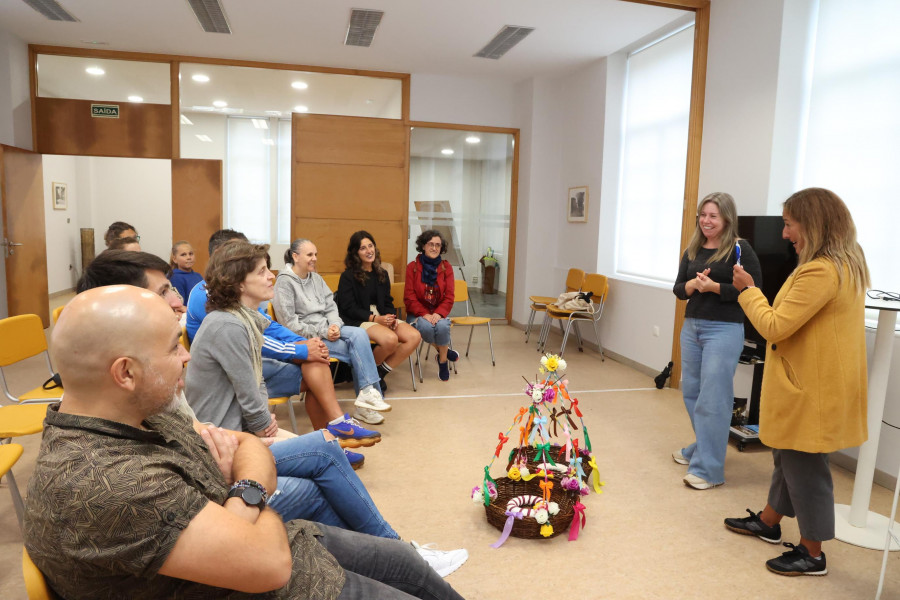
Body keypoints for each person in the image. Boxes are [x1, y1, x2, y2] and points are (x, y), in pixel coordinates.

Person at [24, 285, 468, 599]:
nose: (188, 356)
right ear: (125, 372)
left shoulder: (133, 415)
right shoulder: (107, 481)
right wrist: (248, 493)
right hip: (277, 583)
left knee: (403, 563)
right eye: (171, 348)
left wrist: (238, 496)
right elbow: (267, 564)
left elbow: (248, 448)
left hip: (287, 547)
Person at [75, 250, 405, 535]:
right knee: (320, 466)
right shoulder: (226, 325)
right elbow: (244, 403)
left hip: (225, 449)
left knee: (322, 449)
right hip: (223, 459)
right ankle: (392, 551)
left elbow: (200, 430)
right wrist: (253, 461)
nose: (177, 300)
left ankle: (390, 552)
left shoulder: (159, 377)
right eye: (164, 292)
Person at [726, 188, 869, 576]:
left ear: (813, 224)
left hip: (812, 388)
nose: (785, 233)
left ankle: (813, 551)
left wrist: (748, 290)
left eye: (789, 224)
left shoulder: (821, 271)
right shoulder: (847, 263)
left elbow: (774, 326)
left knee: (805, 467)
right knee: (787, 453)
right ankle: (770, 521)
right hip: (814, 382)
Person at [186, 240, 383, 455]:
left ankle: (336, 429)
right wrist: (300, 349)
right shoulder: (225, 320)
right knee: (325, 459)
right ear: (235, 276)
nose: (272, 275)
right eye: (262, 271)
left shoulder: (244, 312)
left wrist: (305, 343)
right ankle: (332, 444)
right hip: (227, 420)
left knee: (317, 361)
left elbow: (268, 338)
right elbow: (253, 366)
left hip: (245, 392)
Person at [672, 192, 762, 490]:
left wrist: (713, 288)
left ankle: (709, 469)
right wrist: (693, 285)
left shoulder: (739, 249)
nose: (706, 220)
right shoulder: (693, 248)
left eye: (713, 216)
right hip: (693, 326)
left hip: (724, 329)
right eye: (703, 214)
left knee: (713, 398)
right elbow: (679, 289)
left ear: (727, 218)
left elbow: (752, 290)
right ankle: (703, 447)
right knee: (693, 393)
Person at [274, 238, 391, 425]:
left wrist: (335, 324)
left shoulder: (316, 278)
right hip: (304, 338)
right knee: (358, 349)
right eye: (309, 255)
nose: (314, 258)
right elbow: (289, 324)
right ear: (295, 257)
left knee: (360, 334)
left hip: (328, 329)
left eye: (316, 254)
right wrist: (324, 331)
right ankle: (366, 403)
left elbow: (331, 306)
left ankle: (368, 394)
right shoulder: (284, 283)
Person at [337, 231, 421, 390]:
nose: (369, 251)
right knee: (390, 340)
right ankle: (367, 373)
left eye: (370, 246)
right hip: (359, 320)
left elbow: (388, 301)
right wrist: (375, 319)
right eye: (363, 248)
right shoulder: (347, 276)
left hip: (381, 317)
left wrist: (391, 317)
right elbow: (348, 308)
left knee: (414, 336)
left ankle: (378, 372)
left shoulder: (381, 273)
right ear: (355, 253)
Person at [404, 229, 459, 382]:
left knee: (441, 327)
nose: (434, 248)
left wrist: (439, 313)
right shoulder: (412, 267)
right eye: (430, 244)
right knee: (426, 327)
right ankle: (445, 353)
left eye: (438, 245)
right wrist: (425, 314)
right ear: (423, 246)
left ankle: (442, 362)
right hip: (417, 314)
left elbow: (449, 296)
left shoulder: (446, 267)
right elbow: (409, 297)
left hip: (438, 312)